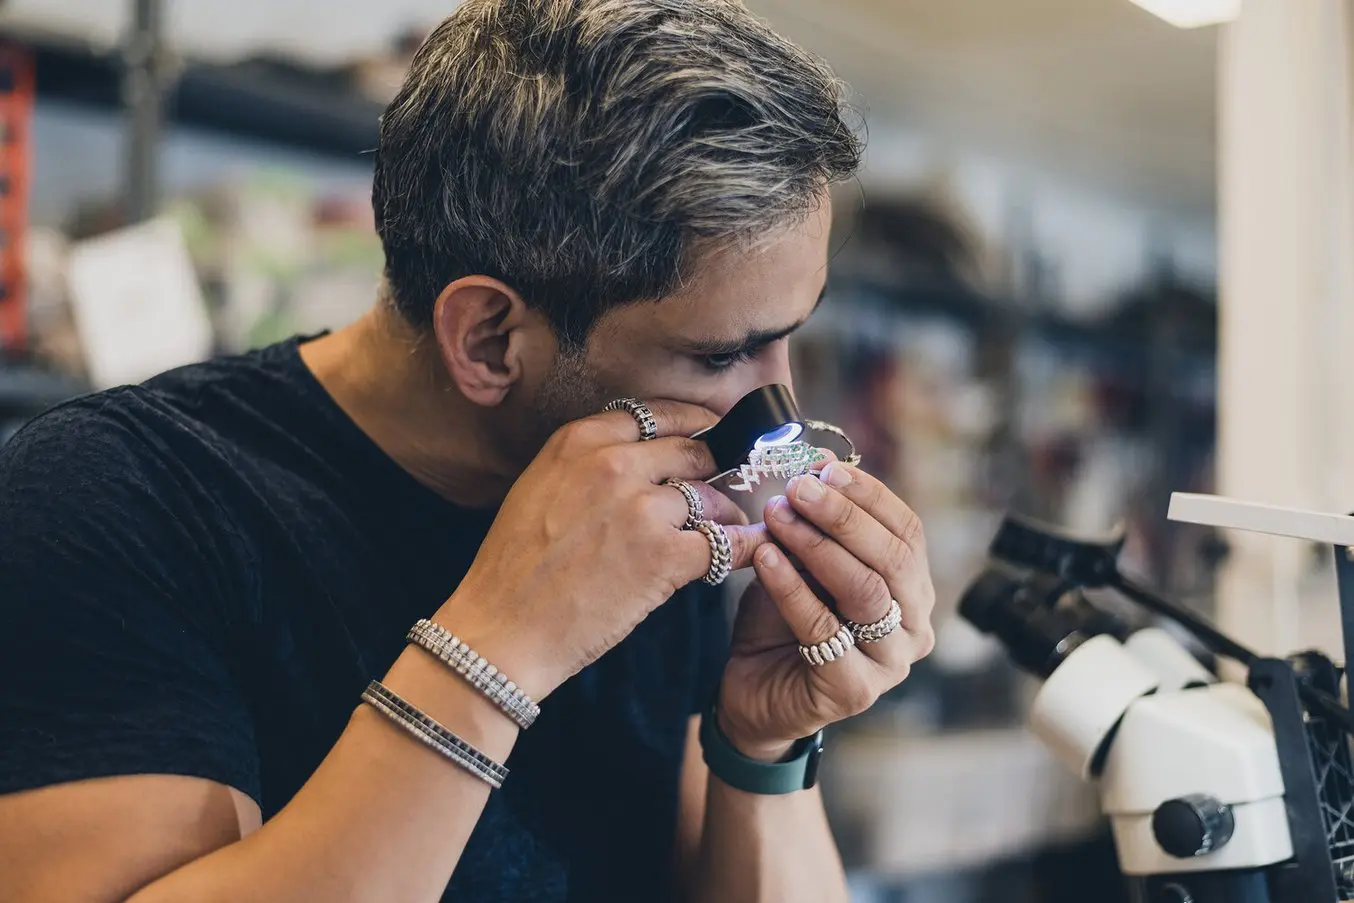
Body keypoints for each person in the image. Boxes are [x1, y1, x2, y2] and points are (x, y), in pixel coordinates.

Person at [0, 1, 936, 901]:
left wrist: (764, 742)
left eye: (789, 336)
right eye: (721, 352)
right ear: (489, 338)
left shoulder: (663, 513)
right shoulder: (113, 502)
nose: (781, 408)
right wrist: (500, 645)